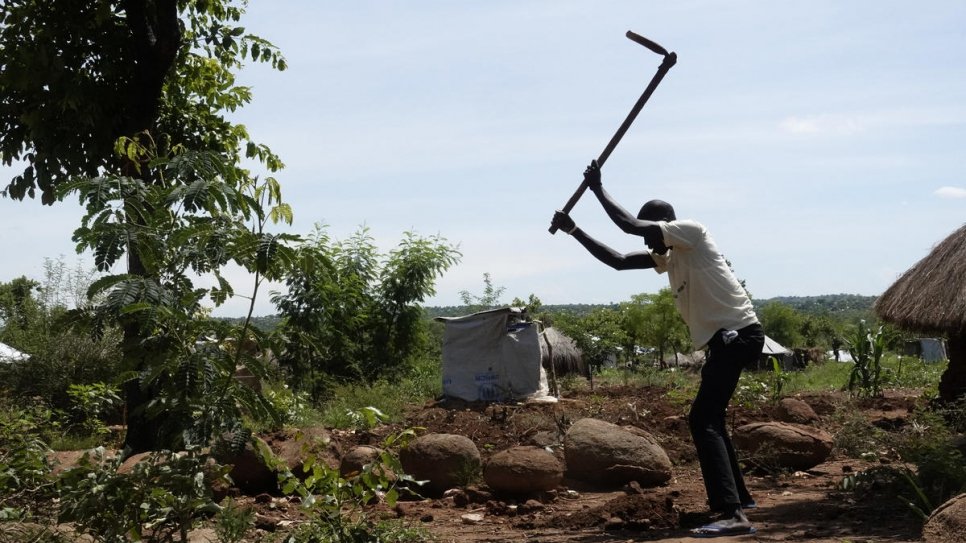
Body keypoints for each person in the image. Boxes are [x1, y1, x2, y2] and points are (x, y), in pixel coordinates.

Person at [551, 160, 764, 538]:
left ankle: (732, 513)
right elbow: (617, 261)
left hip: (738, 336)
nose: (648, 244)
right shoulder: (671, 256)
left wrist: (598, 189)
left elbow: (631, 226)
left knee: (702, 420)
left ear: (664, 224)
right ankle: (740, 500)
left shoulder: (692, 233)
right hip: (727, 341)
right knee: (710, 417)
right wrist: (574, 230)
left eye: (651, 236)